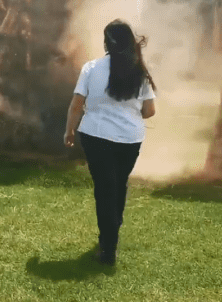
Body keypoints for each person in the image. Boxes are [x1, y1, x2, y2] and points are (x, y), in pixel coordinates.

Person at [64, 19, 157, 267]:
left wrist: (69, 131)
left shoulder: (91, 68)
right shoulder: (140, 72)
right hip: (130, 140)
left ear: (106, 42)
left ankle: (108, 247)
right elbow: (149, 111)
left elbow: (76, 104)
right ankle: (113, 228)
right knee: (117, 184)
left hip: (95, 137)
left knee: (105, 189)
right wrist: (128, 113)